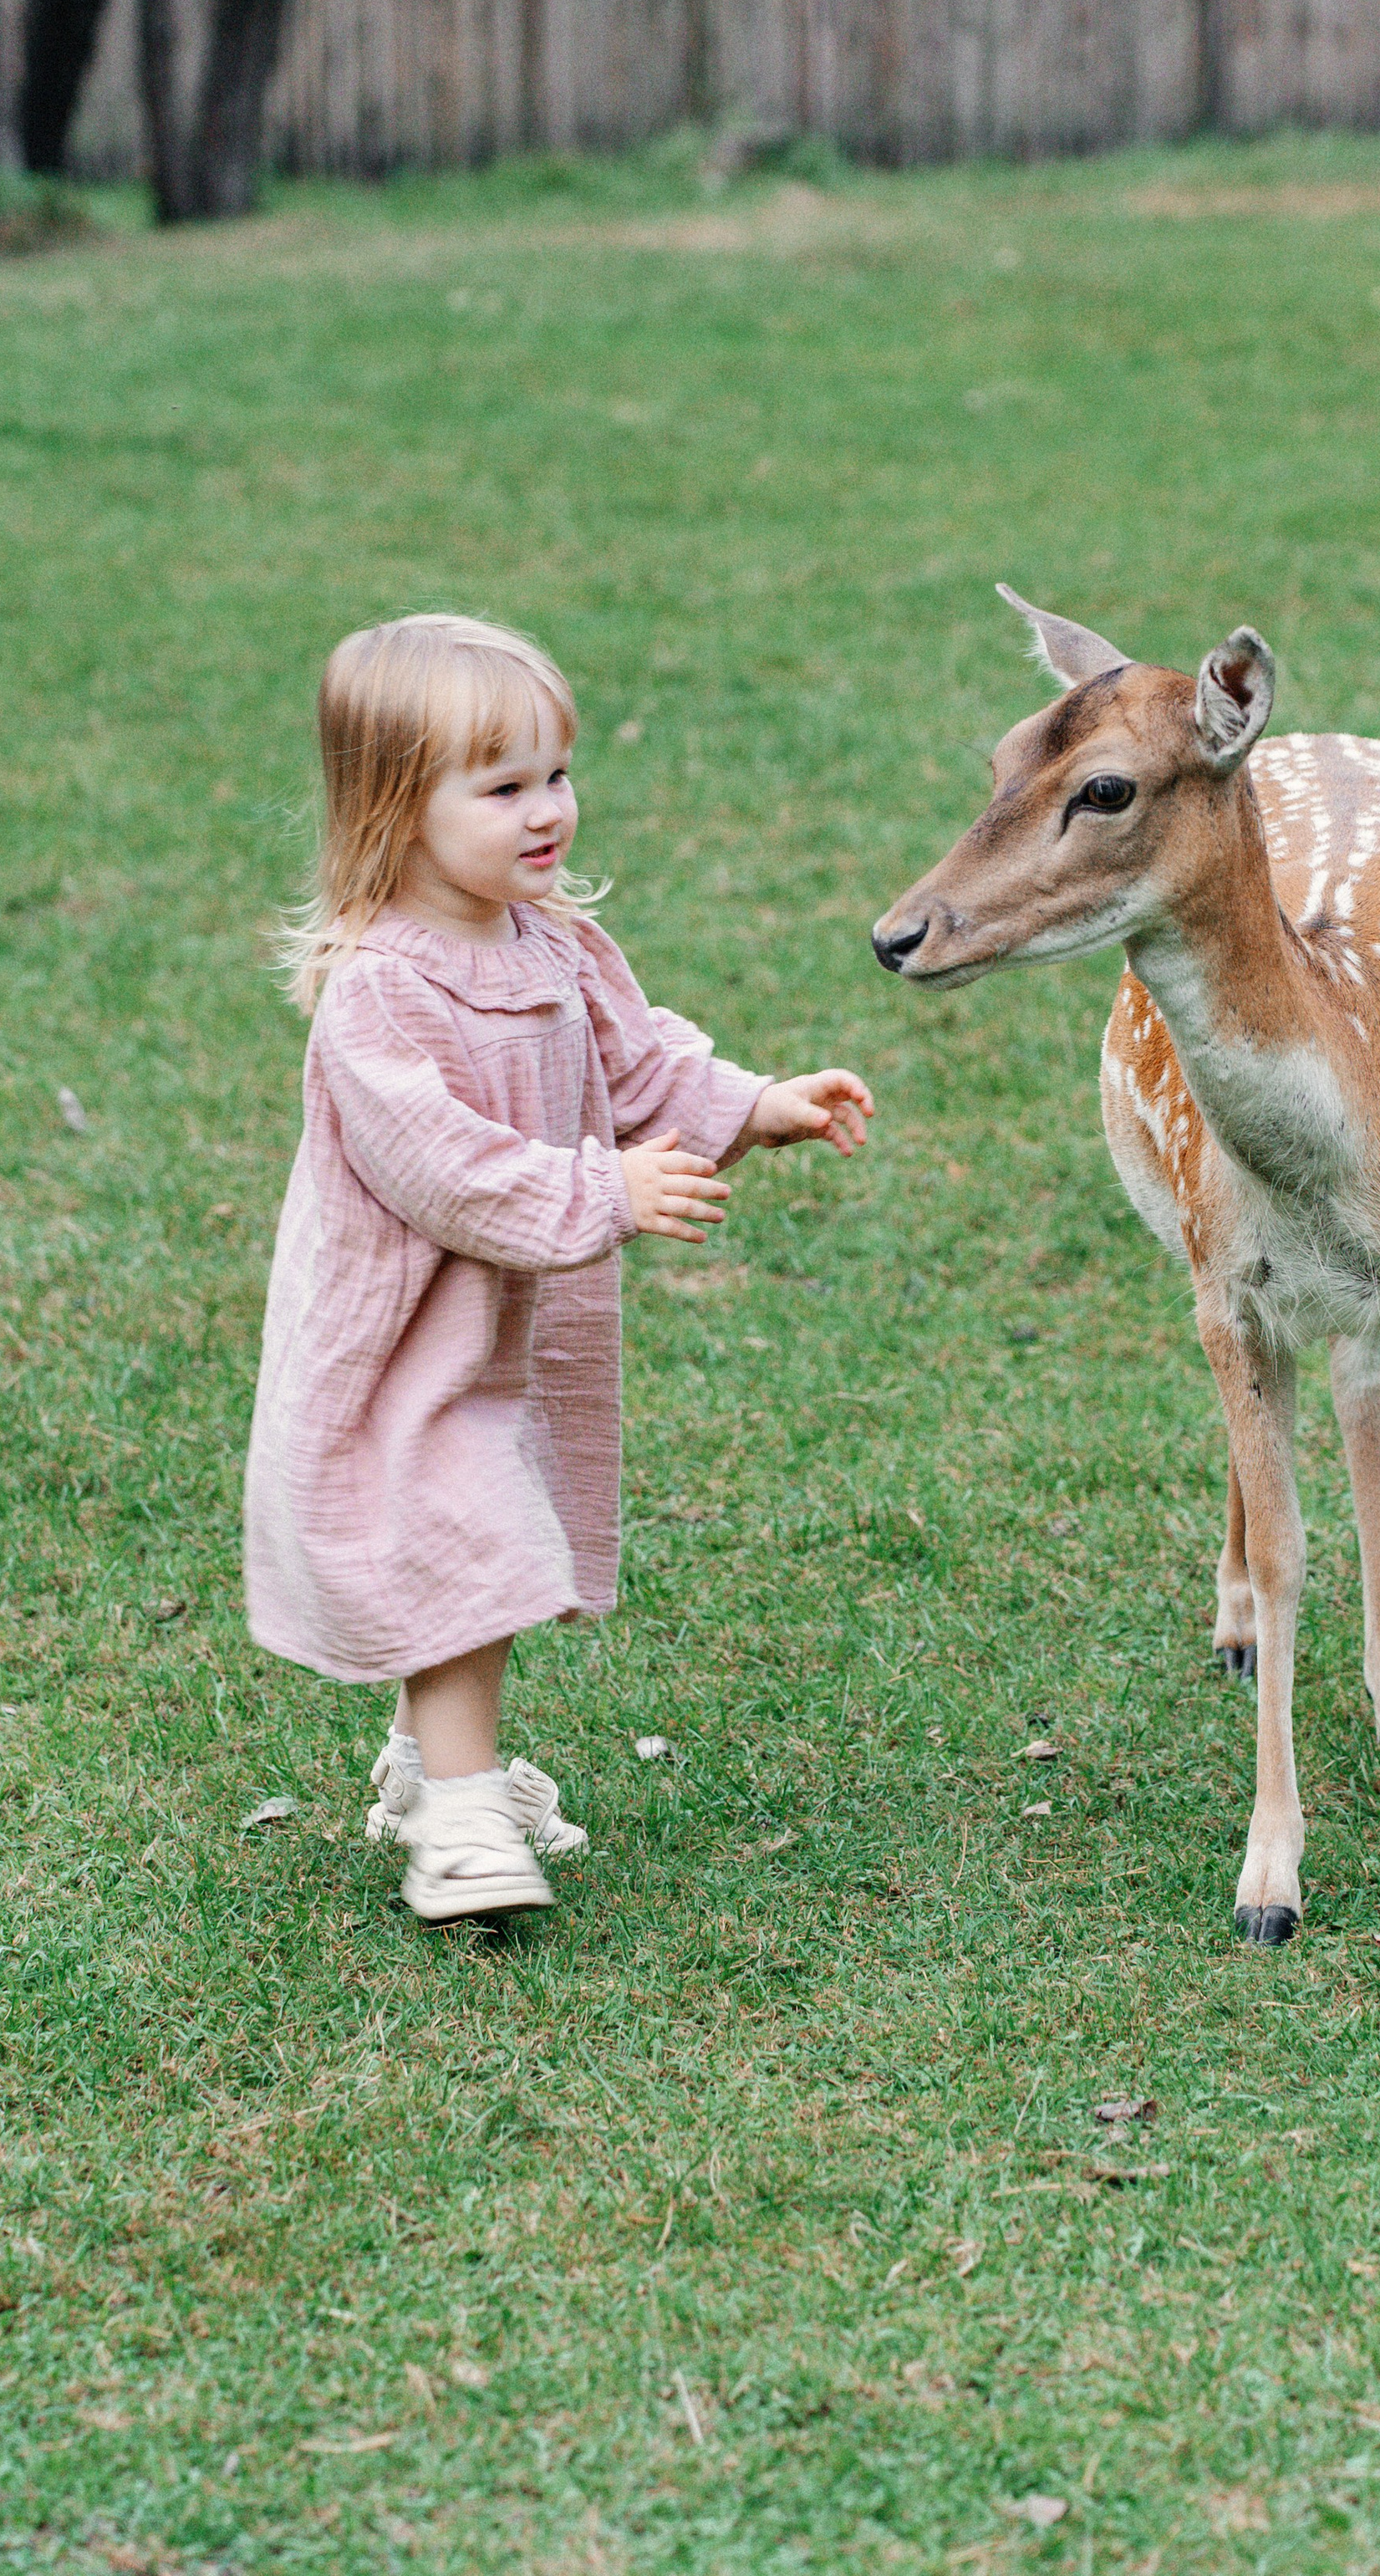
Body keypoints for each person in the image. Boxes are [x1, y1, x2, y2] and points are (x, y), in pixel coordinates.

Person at [246, 612, 873, 1922]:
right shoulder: (380, 993)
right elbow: (444, 1168)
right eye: (503, 786)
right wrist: (605, 1188)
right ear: (396, 808)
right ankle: (463, 1825)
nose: (549, 813)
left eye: (557, 776)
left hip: (509, 1324)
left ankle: (432, 1768)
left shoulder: (551, 945)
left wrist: (752, 1104)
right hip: (407, 1331)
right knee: (465, 1533)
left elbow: (640, 1066)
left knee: (491, 1535)